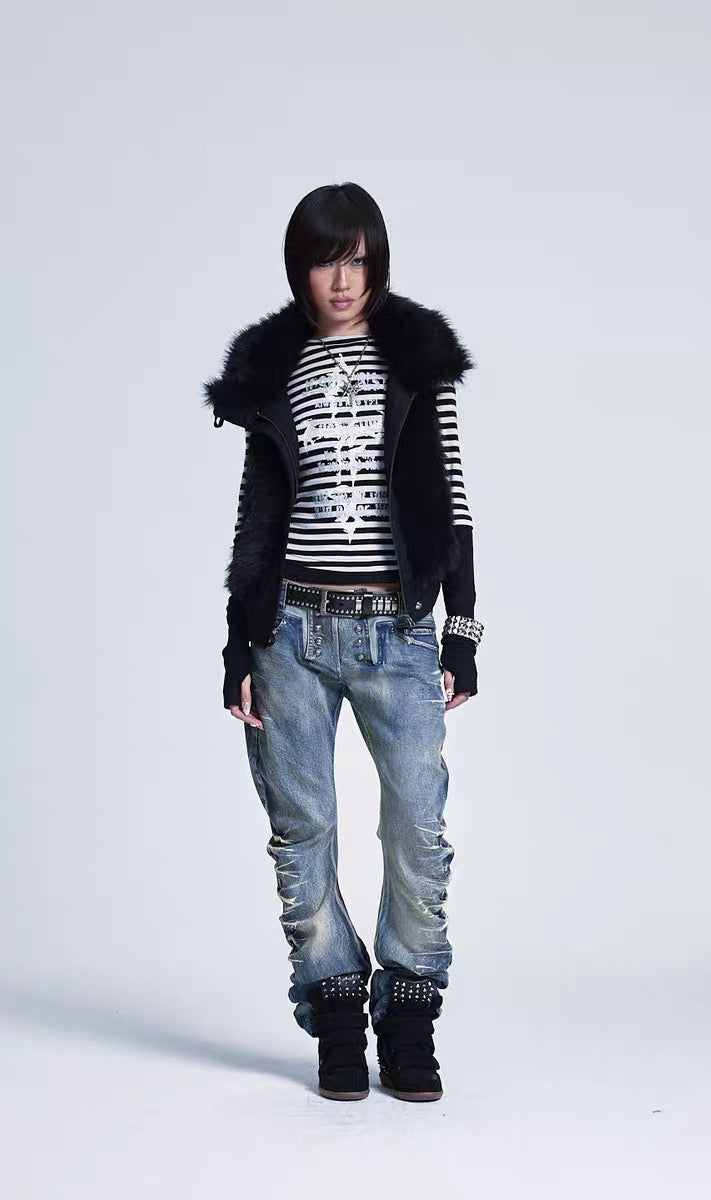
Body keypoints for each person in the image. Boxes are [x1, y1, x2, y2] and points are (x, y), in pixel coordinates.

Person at [202, 182, 482, 1102]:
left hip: (396, 631)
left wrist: (461, 631)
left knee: (417, 826)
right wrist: (238, 646)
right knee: (303, 831)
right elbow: (256, 516)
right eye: (326, 260)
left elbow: (453, 499)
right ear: (300, 270)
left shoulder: (415, 359)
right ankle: (333, 1007)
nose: (343, 279)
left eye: (357, 258)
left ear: (378, 263)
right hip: (290, 630)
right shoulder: (274, 370)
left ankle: (408, 1012)